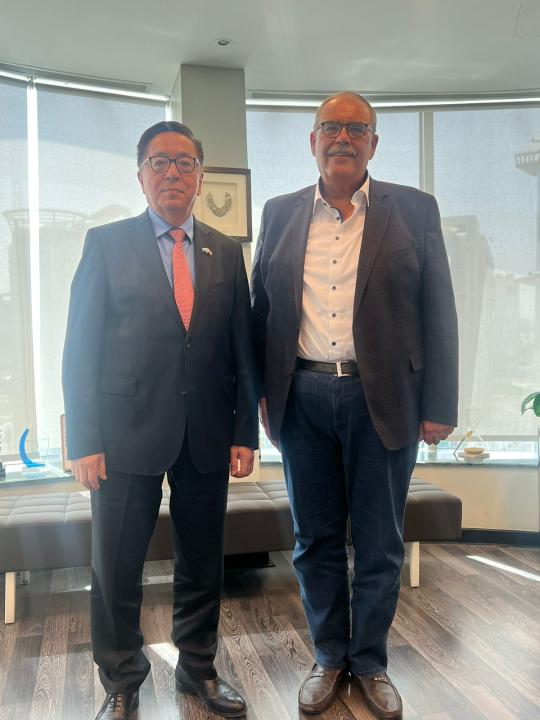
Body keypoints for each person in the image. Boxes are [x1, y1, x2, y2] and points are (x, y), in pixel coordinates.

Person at [251, 92, 458, 719]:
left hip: (385, 399)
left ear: (373, 142)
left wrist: (440, 404)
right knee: (313, 541)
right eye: (332, 127)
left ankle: (369, 661)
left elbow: (439, 310)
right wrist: (261, 394)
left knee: (380, 543)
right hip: (302, 397)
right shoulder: (279, 212)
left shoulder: (414, 210)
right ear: (312, 140)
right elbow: (262, 310)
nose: (343, 137)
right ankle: (328, 655)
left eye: (356, 128)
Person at [63, 120, 258, 720]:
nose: (172, 172)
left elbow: (242, 349)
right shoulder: (105, 244)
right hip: (122, 436)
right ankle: (122, 678)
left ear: (200, 176)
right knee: (116, 567)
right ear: (141, 175)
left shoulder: (225, 251)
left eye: (184, 162)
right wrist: (84, 439)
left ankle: (198, 668)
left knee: (202, 563)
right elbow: (80, 349)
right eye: (159, 162)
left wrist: (243, 432)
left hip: (206, 434)